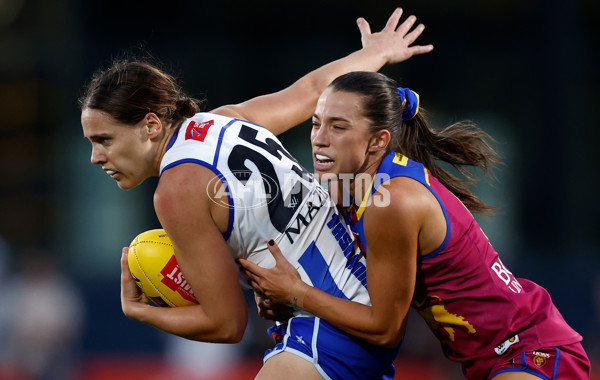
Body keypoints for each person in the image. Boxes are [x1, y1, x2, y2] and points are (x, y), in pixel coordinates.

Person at [79, 8, 434, 380]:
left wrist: (141, 312)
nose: (95, 157)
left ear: (150, 125)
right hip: (359, 293)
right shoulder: (225, 119)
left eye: (104, 140)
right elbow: (314, 91)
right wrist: (374, 55)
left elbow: (226, 324)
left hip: (327, 323)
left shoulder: (176, 191)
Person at [238, 71, 592, 379]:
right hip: (495, 359)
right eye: (316, 123)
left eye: (338, 126)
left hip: (530, 353)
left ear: (379, 141)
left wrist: (297, 293)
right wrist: (279, 296)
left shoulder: (392, 202)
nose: (319, 138)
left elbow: (384, 328)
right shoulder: (355, 185)